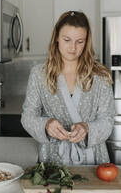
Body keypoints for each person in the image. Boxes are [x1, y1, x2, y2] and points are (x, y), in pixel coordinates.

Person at [21, 11, 115, 165]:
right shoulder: (39, 74)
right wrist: (46, 125)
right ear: (57, 37)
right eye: (67, 40)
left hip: (92, 160)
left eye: (80, 41)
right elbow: (28, 116)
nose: (73, 47)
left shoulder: (100, 76)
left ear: (87, 42)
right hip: (52, 159)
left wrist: (87, 128)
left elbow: (108, 120)